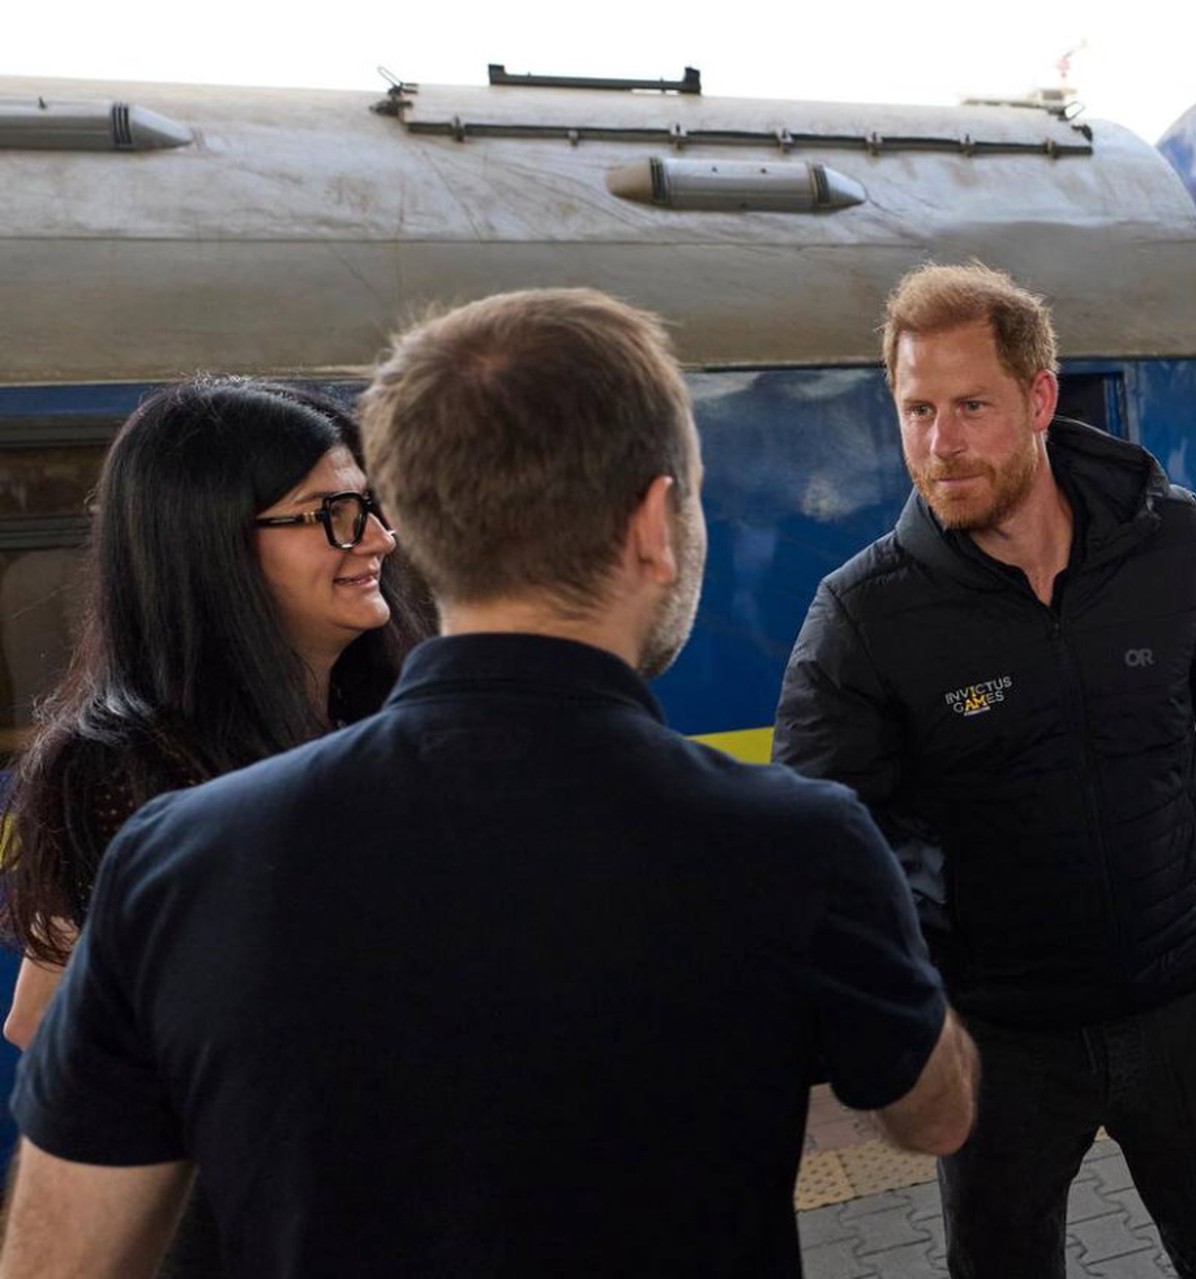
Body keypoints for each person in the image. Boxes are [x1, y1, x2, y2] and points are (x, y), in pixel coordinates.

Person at [2, 288, 976, 1278]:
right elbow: (936, 1116)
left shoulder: (172, 856)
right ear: (653, 523)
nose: (368, 538)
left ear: (424, 525)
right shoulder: (797, 840)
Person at [774, 262, 1196, 1278]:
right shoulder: (865, 613)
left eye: (972, 406)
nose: (941, 444)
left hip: (1179, 1006)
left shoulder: (1173, 540)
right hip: (998, 1041)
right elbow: (821, 830)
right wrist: (936, 956)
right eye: (917, 410)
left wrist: (1190, 863)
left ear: (1040, 398)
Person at [0, 379, 430, 1275]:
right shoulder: (120, 769)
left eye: (371, 506)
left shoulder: (383, 712)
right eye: (332, 514)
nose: (378, 539)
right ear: (211, 544)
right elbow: (46, 1024)